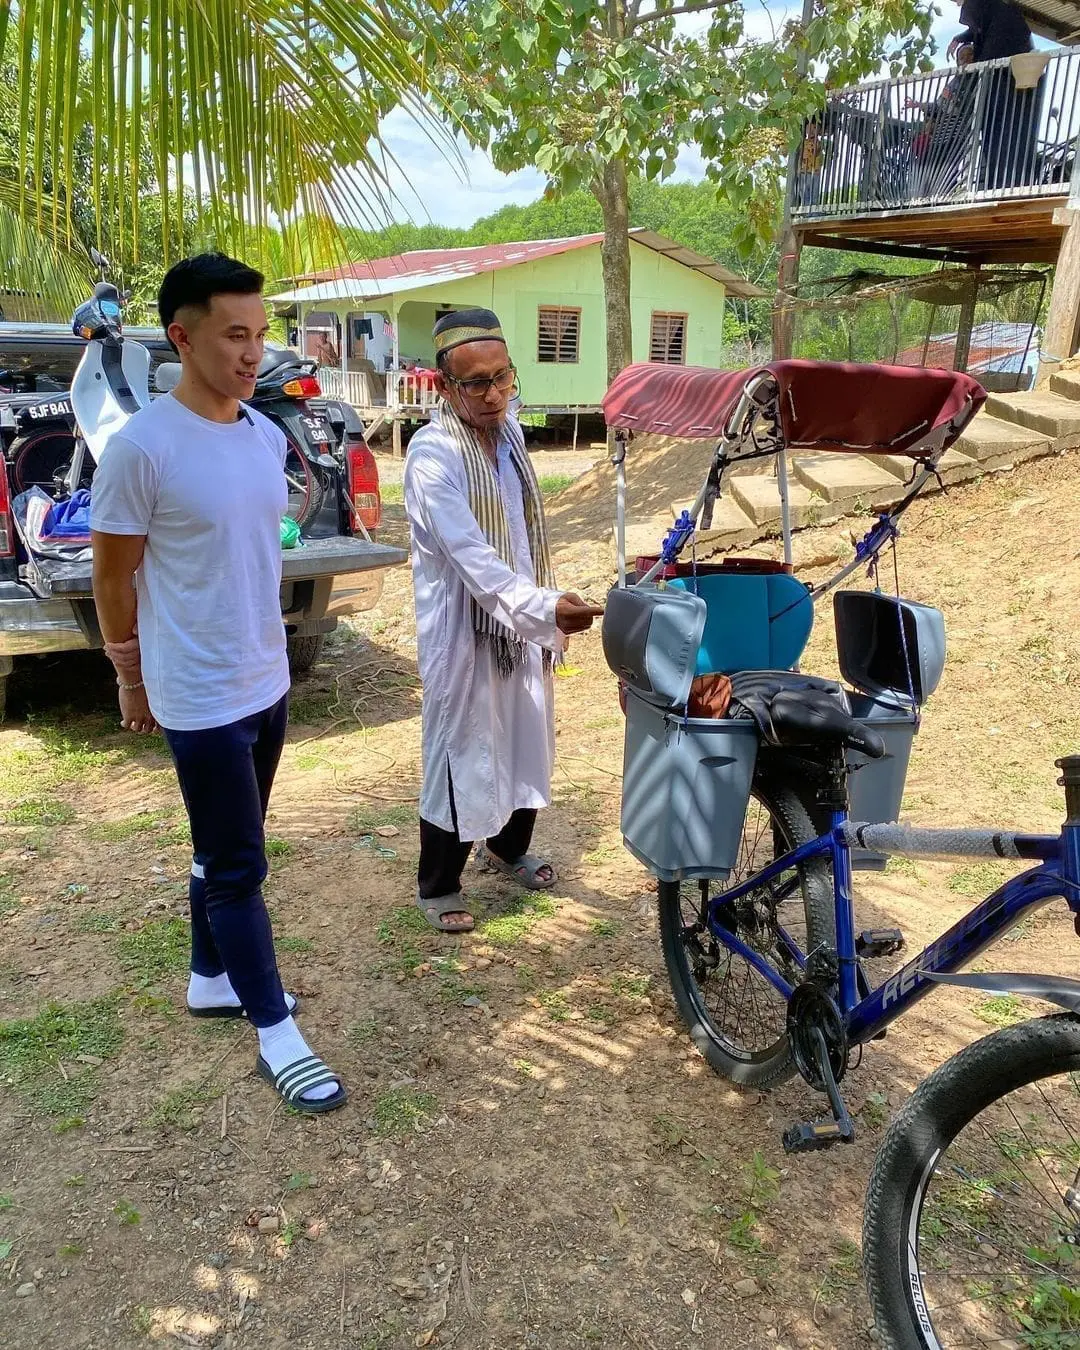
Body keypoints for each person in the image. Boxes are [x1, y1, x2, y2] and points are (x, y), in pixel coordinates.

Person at [90, 252, 346, 1114]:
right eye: (234, 334)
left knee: (223, 847)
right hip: (195, 692)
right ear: (182, 336)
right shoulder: (142, 449)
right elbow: (114, 579)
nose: (252, 352)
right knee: (239, 865)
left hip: (264, 677)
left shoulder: (264, 435)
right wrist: (130, 679)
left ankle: (210, 978)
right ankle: (276, 1031)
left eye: (260, 333)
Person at [403, 308, 603, 934]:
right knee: (461, 748)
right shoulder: (432, 455)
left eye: (503, 378)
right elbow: (473, 561)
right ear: (444, 387)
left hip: (523, 619)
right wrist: (545, 608)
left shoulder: (510, 432)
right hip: (465, 629)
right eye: (476, 384)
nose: (493, 395)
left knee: (527, 732)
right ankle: (438, 882)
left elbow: (520, 537)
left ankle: (509, 847)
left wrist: (539, 606)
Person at [948, 0, 1036, 190]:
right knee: (996, 140)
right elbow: (981, 26)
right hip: (1004, 89)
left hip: (1008, 89)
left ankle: (1003, 185)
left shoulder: (1002, 23)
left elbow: (988, 56)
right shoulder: (997, 14)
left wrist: (972, 71)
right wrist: (961, 37)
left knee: (1005, 141)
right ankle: (997, 183)